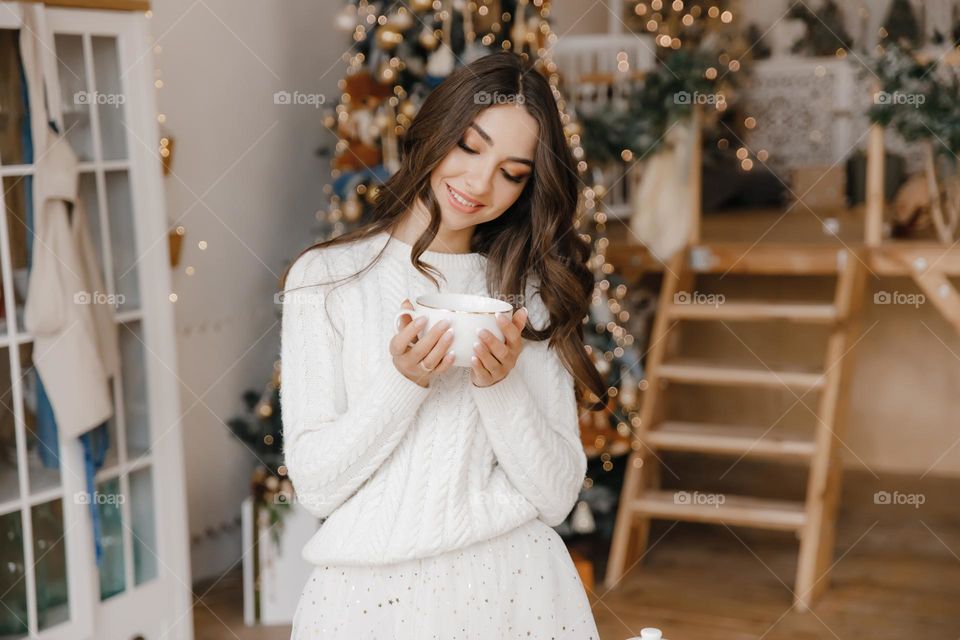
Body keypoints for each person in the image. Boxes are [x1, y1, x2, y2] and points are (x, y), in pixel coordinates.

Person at [279, 50, 606, 639]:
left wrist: (498, 385)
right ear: (435, 131)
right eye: (470, 147)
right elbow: (317, 485)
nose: (480, 185)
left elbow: (557, 496)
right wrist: (404, 383)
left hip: (516, 587)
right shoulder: (327, 281)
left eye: (513, 172)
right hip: (363, 597)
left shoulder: (525, 293)